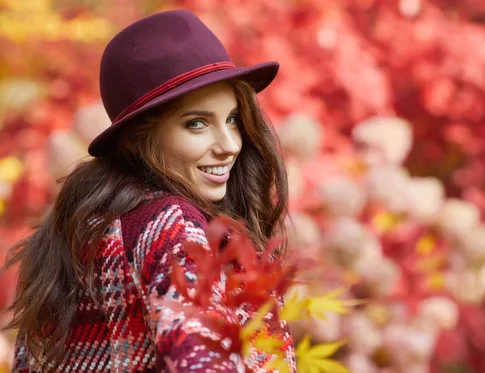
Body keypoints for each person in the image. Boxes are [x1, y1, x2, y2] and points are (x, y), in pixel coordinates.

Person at [3, 9, 294, 373]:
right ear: (137, 140)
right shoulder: (173, 225)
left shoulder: (76, 230)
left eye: (233, 119)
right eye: (197, 123)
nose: (230, 145)